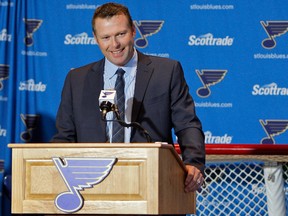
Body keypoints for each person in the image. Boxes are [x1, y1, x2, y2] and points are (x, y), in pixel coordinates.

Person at [51, 2, 205, 194]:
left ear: (133, 31)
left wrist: (194, 163)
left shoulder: (166, 72)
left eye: (120, 34)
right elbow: (64, 137)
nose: (114, 44)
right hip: (92, 187)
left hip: (150, 182)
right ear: (96, 39)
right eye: (105, 37)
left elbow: (187, 123)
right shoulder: (77, 80)